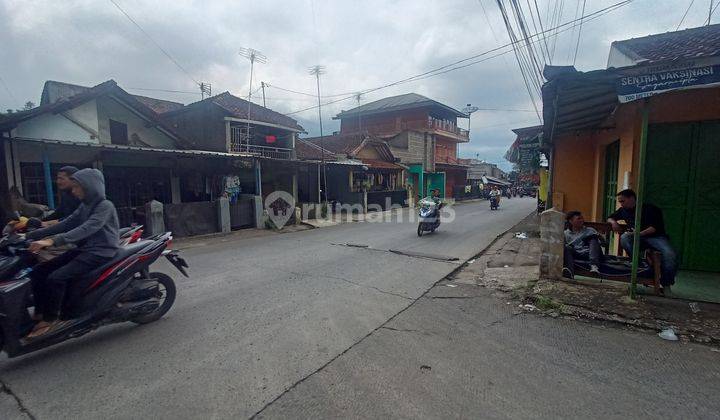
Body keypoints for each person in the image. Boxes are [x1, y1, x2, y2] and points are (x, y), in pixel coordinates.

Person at [25, 168, 119, 338]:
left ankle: (52, 319)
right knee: (39, 272)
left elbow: (89, 227)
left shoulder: (105, 206)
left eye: (77, 187)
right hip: (84, 249)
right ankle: (39, 312)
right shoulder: (85, 206)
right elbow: (66, 223)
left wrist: (53, 241)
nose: (73, 191)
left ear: (89, 187)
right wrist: (29, 235)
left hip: (101, 251)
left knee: (57, 277)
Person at [607, 189, 678, 295]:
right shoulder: (623, 210)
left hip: (656, 237)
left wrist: (638, 234)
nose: (621, 204)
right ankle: (637, 263)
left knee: (670, 254)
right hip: (637, 238)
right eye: (620, 202)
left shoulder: (651, 209)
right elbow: (610, 217)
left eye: (623, 201)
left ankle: (666, 283)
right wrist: (614, 223)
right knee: (624, 238)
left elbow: (654, 228)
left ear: (632, 198)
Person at [563, 211, 603, 278]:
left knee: (593, 238)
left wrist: (599, 237)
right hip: (576, 253)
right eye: (579, 219)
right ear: (571, 221)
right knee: (566, 247)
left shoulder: (590, 230)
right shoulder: (566, 234)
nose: (582, 220)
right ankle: (569, 273)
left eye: (582, 218)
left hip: (589, 253)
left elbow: (601, 244)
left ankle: (594, 266)